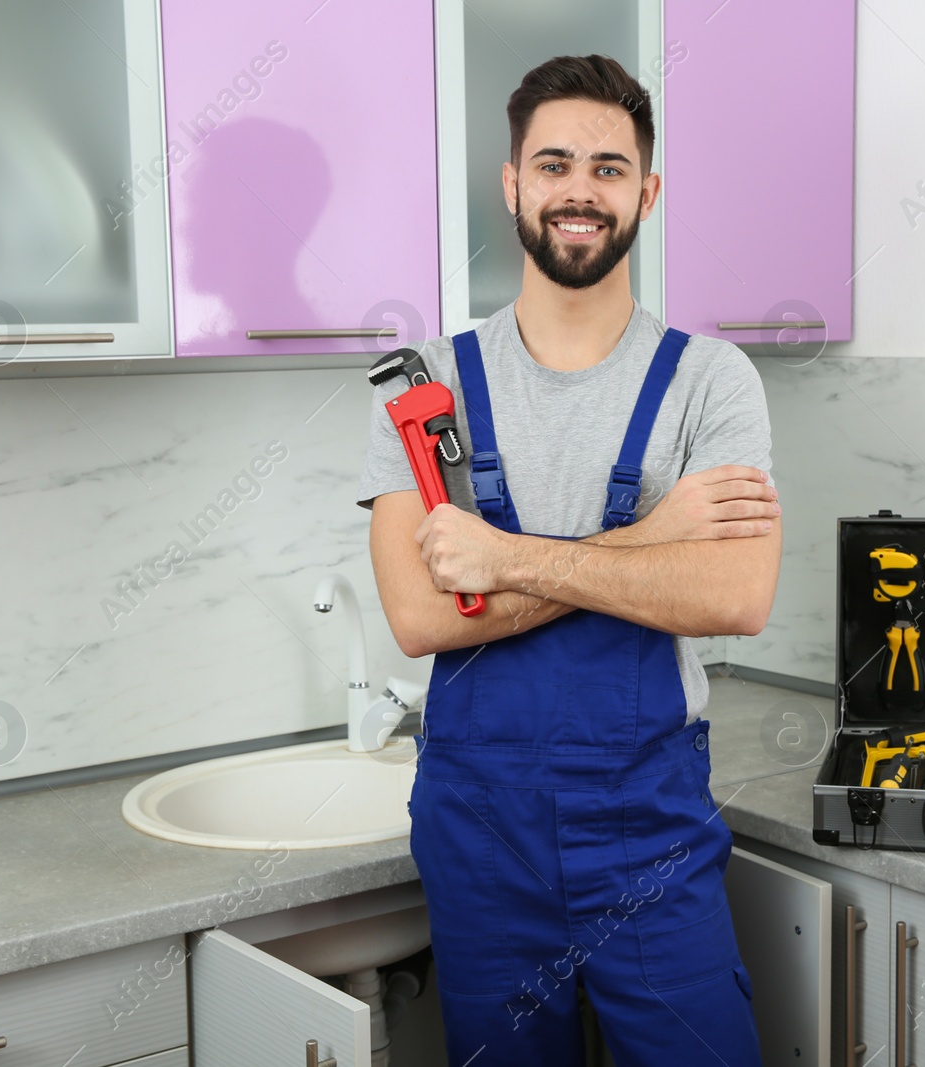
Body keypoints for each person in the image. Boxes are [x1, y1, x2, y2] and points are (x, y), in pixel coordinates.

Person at [357, 53, 780, 1067]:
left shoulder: (711, 382)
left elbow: (734, 593)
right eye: (553, 164)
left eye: (607, 165)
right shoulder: (428, 395)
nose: (579, 189)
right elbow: (420, 618)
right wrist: (650, 538)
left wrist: (503, 558)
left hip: (649, 832)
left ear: (646, 191)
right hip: (479, 834)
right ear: (513, 184)